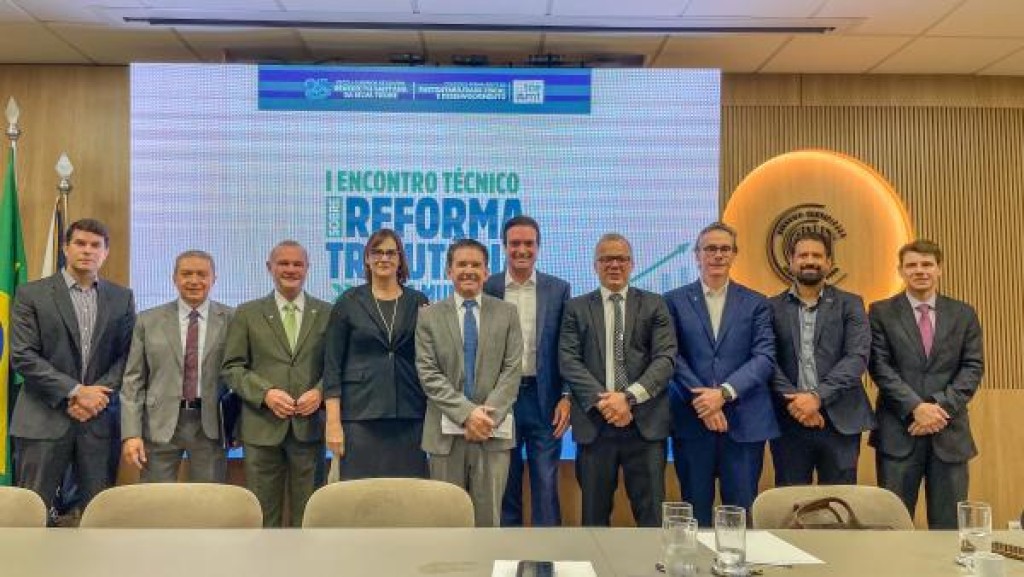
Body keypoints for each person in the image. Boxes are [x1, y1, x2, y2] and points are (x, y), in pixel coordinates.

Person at [10, 218, 135, 516]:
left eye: (95, 245)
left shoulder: (122, 297)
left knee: (98, 514)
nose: (87, 250)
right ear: (66, 248)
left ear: (105, 253)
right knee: (32, 513)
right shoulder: (31, 294)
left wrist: (96, 397)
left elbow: (128, 356)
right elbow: (23, 355)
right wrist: (76, 392)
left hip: (98, 422)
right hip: (43, 419)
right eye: (80, 243)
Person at [559, 233, 676, 527]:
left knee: (652, 518)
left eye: (621, 259)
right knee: (594, 518)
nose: (614, 265)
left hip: (645, 425)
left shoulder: (655, 304)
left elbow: (665, 359)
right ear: (595, 266)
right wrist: (607, 403)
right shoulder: (575, 308)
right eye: (606, 259)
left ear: (632, 264)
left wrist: (628, 398)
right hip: (595, 426)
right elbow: (569, 361)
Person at [664, 221, 777, 527]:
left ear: (734, 255)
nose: (717, 255)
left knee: (740, 516)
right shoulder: (672, 301)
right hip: (692, 421)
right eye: (710, 249)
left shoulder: (757, 303)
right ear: (696, 255)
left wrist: (723, 393)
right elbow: (670, 356)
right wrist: (705, 402)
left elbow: (764, 357)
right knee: (694, 514)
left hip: (744, 423)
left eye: (725, 249)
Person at [869, 239, 984, 529]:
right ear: (900, 271)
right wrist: (915, 408)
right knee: (893, 528)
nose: (920, 271)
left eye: (927, 264)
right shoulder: (880, 312)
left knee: (949, 530)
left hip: (949, 434)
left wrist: (936, 408)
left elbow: (972, 367)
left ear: (939, 269)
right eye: (912, 265)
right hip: (899, 433)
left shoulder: (964, 313)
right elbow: (879, 367)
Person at [415, 238, 523, 527]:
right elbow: (428, 372)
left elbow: (512, 371)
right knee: (446, 522)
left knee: (488, 522)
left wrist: (485, 418)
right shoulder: (428, 316)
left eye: (476, 265)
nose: (469, 271)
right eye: (461, 264)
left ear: (487, 272)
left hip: (493, 433)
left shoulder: (508, 313)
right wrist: (467, 414)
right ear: (449, 271)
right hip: (445, 437)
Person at [222, 240, 329, 527]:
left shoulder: (328, 313)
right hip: (261, 429)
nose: (290, 269)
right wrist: (265, 393)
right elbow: (232, 368)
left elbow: (338, 367)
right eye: (283, 263)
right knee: (263, 519)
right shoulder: (247, 313)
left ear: (308, 268)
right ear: (269, 267)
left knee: (308, 520)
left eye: (297, 264)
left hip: (309, 429)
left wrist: (320, 392)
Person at [483, 215, 571, 527]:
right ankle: (507, 550)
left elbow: (567, 347)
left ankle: (547, 552)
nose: (522, 250)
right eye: (515, 243)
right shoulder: (488, 287)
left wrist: (567, 396)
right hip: (500, 400)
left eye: (529, 244)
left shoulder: (558, 289)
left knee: (545, 483)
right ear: (504, 247)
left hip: (544, 399)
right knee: (505, 482)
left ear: (538, 247)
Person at [768, 230, 873, 486]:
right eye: (803, 255)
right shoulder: (771, 307)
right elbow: (767, 360)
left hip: (840, 420)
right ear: (791, 261)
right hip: (790, 420)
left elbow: (857, 357)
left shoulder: (851, 304)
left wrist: (816, 397)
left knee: (839, 501)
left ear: (828, 262)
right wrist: (797, 403)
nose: (810, 261)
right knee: (791, 501)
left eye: (817, 256)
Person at [324, 229, 429, 479]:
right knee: (361, 494)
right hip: (360, 417)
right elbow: (332, 366)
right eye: (377, 252)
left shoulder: (418, 301)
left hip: (410, 415)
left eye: (391, 253)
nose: (384, 258)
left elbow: (428, 358)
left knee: (408, 493)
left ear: (400, 259)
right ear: (367, 259)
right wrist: (333, 422)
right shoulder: (348, 302)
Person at [120, 250, 233, 482]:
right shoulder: (147, 320)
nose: (194, 280)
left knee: (209, 498)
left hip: (211, 426)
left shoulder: (233, 319)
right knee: (157, 498)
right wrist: (131, 434)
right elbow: (133, 380)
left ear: (214, 279)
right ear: (174, 278)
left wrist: (237, 428)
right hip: (158, 425)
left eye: (202, 274)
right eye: (186, 274)